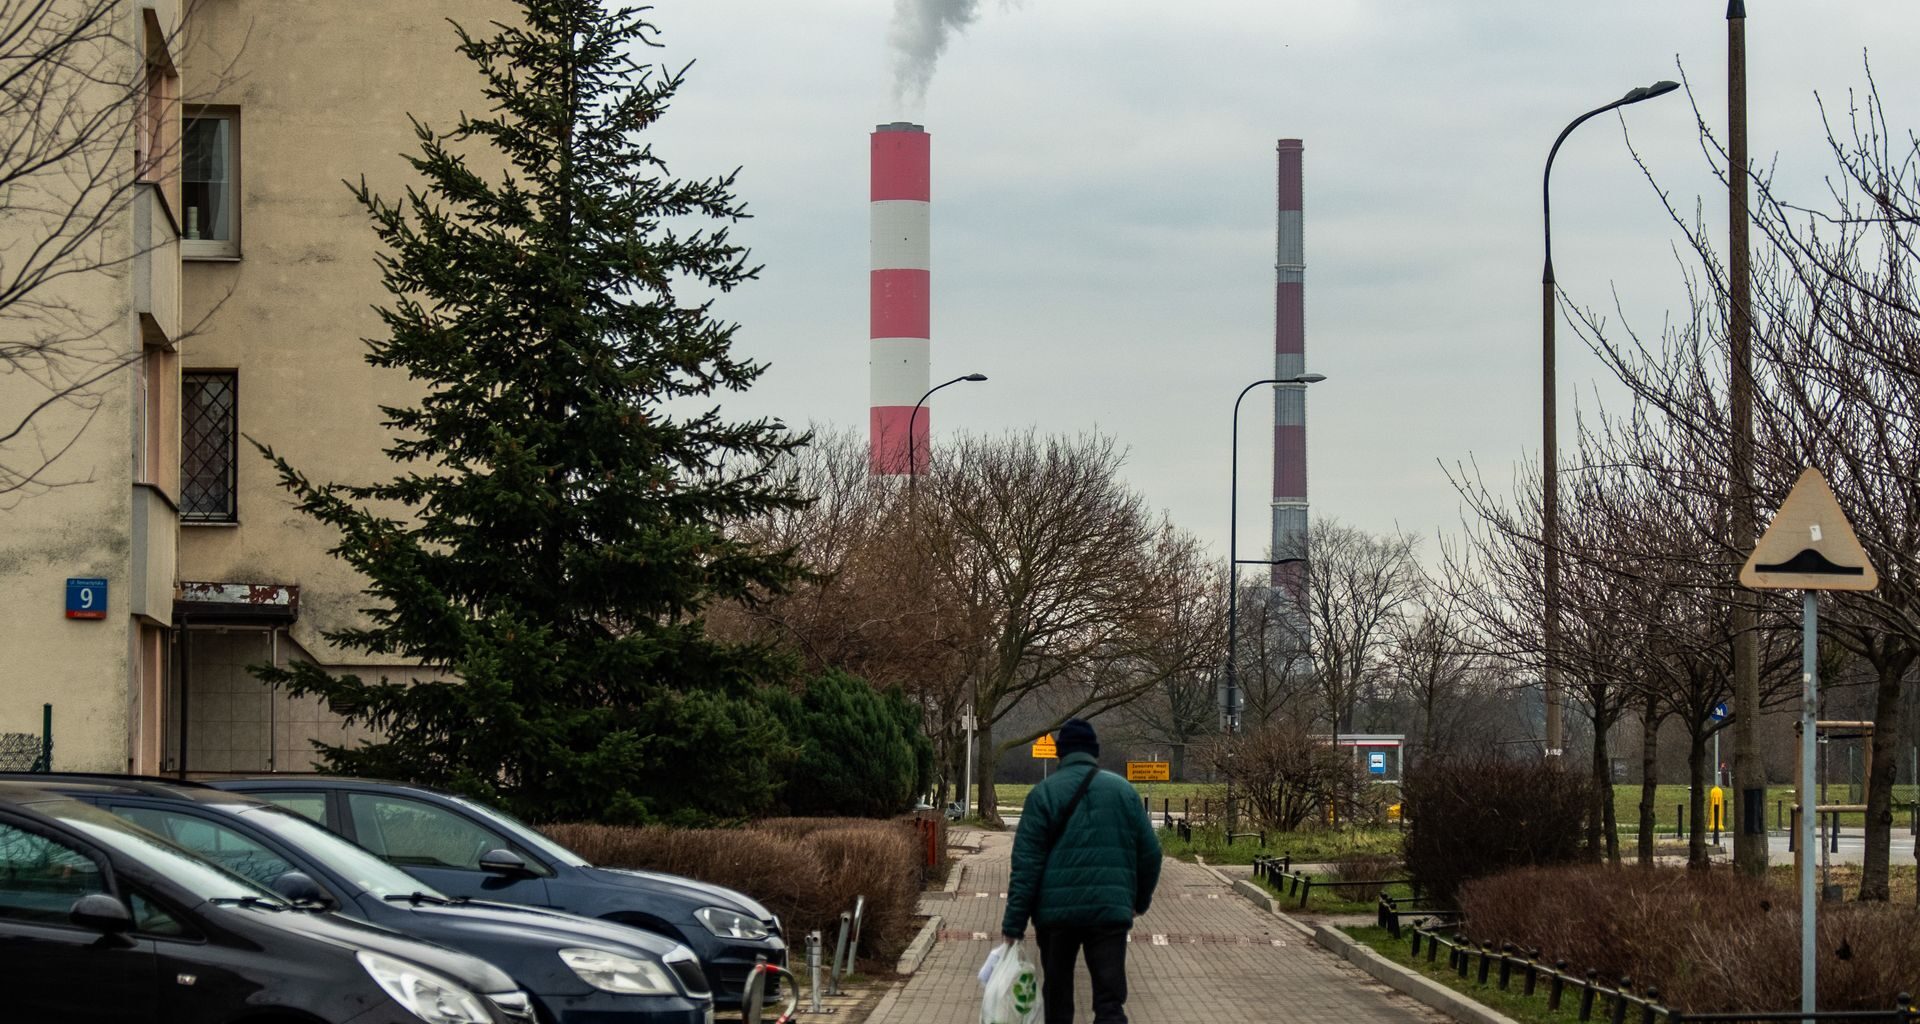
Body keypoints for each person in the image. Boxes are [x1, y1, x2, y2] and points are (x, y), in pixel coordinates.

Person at [1000, 718, 1161, 1024]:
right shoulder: (1124, 792)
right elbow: (1151, 854)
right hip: (1109, 913)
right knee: (1110, 1003)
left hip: (1056, 917)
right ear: (1094, 752)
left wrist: (1013, 925)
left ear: (1060, 753)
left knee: (1058, 1000)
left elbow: (1025, 867)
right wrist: (1137, 901)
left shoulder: (1043, 794)